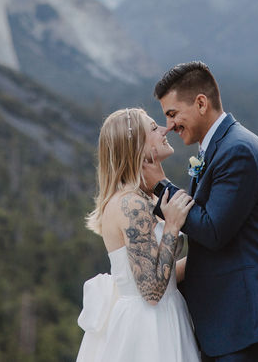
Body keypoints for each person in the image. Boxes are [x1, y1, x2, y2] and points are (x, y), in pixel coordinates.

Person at [146, 61, 258, 362]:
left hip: (245, 321)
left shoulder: (238, 150)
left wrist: (161, 187)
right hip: (229, 319)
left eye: (173, 114)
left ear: (201, 103)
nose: (170, 125)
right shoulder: (218, 147)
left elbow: (213, 230)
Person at [76, 107, 201, 362]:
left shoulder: (141, 197)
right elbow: (153, 291)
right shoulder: (131, 204)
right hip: (149, 328)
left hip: (162, 315)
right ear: (137, 147)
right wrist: (171, 227)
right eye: (154, 128)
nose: (165, 130)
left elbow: (161, 277)